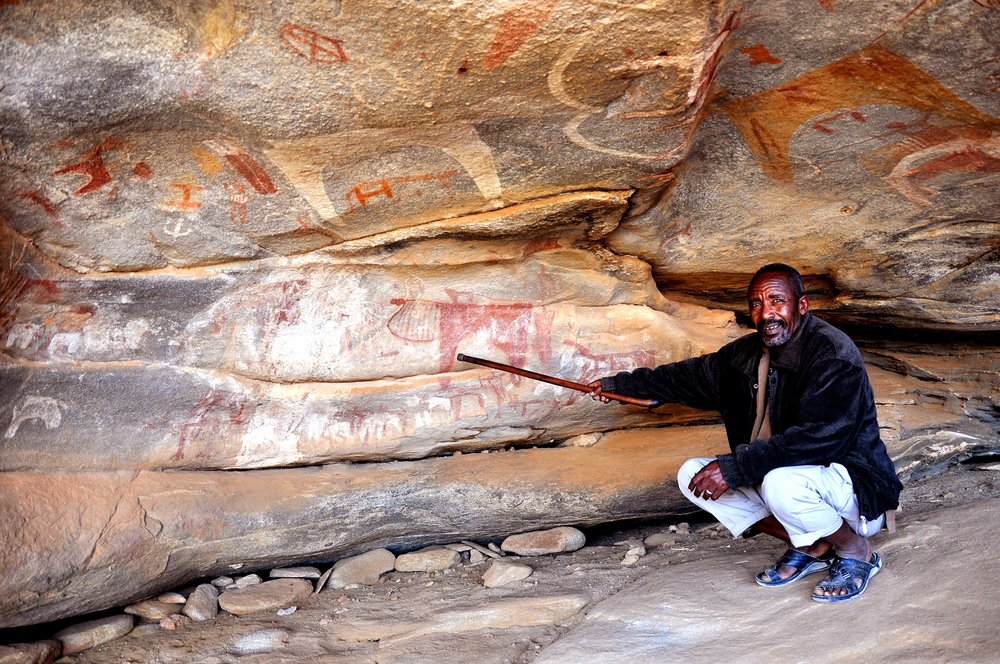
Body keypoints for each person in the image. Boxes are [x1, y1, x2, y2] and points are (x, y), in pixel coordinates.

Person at [589, 263, 902, 603]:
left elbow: (821, 439)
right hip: (787, 482)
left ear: (802, 304)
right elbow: (686, 377)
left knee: (779, 484)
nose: (766, 313)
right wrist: (617, 385)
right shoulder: (744, 355)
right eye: (756, 303)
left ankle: (856, 551)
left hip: (853, 492)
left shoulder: (831, 353)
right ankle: (814, 544)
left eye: (776, 301)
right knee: (692, 476)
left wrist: (735, 468)